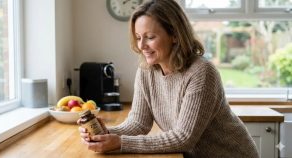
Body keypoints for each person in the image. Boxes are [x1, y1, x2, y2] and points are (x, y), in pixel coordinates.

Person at [78, 0, 259, 157]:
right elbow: (138, 123)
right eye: (138, 37)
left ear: (174, 35)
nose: (142, 45)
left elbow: (183, 138)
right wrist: (104, 133)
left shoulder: (201, 72)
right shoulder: (146, 71)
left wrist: (119, 143)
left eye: (150, 37)